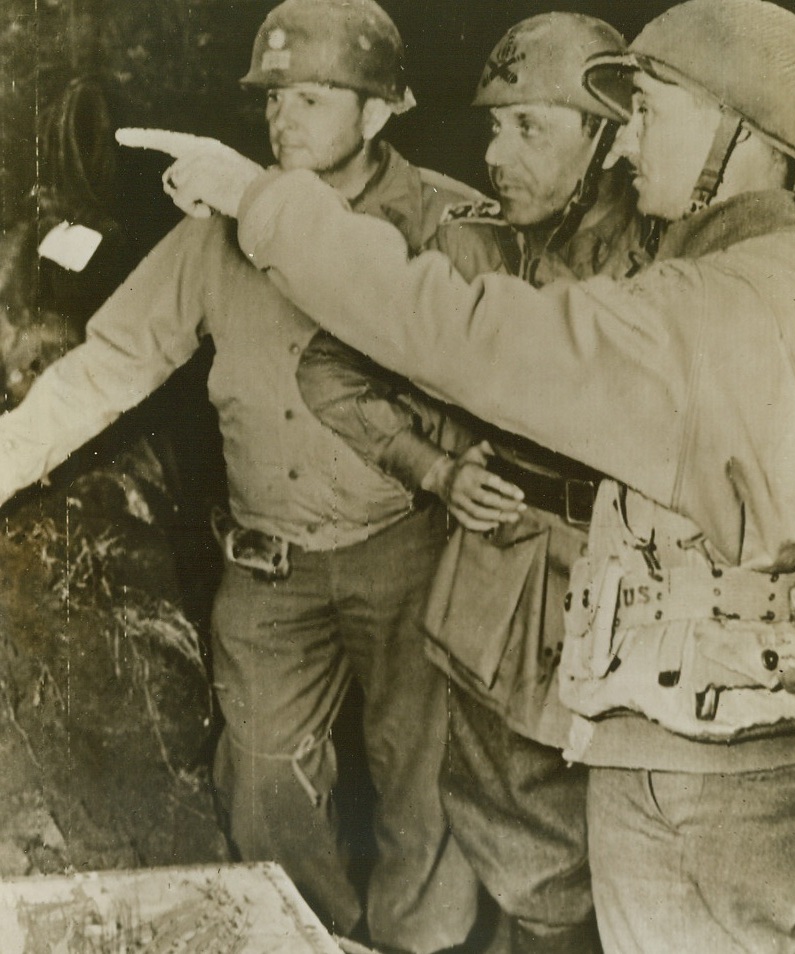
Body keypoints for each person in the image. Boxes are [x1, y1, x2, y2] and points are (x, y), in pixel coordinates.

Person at [161, 0, 795, 950]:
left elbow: (452, 328)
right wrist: (438, 469)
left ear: (741, 134)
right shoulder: (791, 274)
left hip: (700, 758)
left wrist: (263, 200)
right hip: (686, 720)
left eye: (648, 112)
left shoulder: (701, 309)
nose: (627, 139)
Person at [0, 1, 482, 950]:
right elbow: (109, 366)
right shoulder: (217, 232)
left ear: (379, 111)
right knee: (263, 795)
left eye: (311, 97)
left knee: (430, 800)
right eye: (272, 100)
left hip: (408, 554)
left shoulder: (445, 219)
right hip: (270, 567)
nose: (282, 119)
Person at [292, 14, 653, 952]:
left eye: (528, 128)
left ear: (609, 137)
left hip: (643, 603)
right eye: (492, 127)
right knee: (513, 841)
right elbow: (330, 370)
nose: (495, 154)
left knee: (640, 858)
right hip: (504, 590)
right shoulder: (474, 248)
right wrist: (436, 469)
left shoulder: (671, 269)